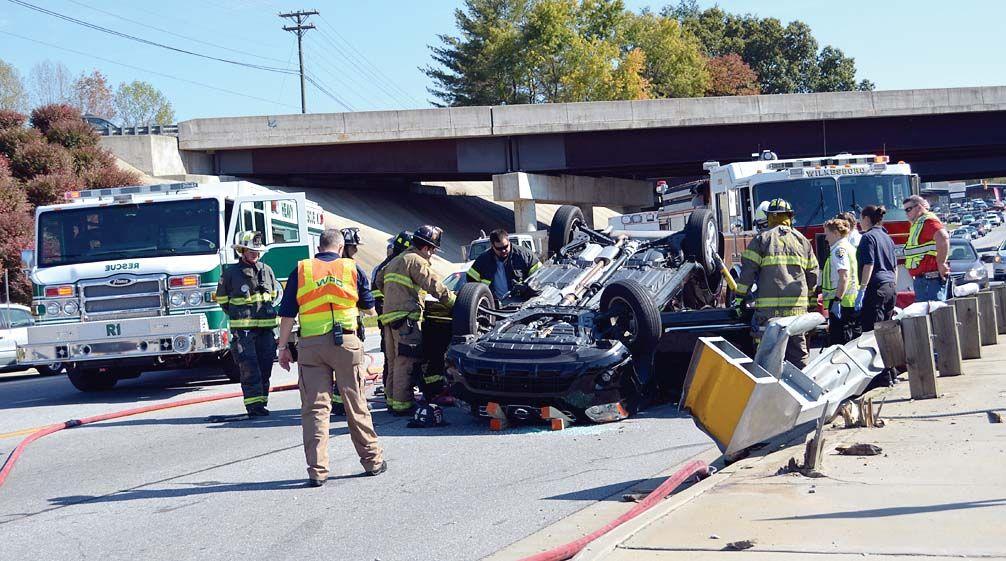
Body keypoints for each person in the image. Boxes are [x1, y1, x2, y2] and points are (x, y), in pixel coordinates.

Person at [276, 229, 385, 487]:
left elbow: (288, 314)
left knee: (315, 409)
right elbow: (370, 307)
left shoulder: (301, 270)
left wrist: (282, 347)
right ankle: (372, 461)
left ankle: (317, 471)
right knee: (355, 403)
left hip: (311, 346)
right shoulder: (351, 269)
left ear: (319, 246)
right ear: (339, 248)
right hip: (346, 343)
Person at [374, 225, 455, 416]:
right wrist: (457, 304)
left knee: (394, 362)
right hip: (406, 321)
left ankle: (393, 402)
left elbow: (379, 281)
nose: (432, 254)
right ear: (427, 247)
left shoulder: (395, 261)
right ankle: (404, 405)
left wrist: (396, 296)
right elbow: (435, 286)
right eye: (433, 250)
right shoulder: (416, 260)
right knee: (406, 362)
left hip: (389, 319)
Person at [735, 198, 818, 368]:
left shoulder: (761, 239)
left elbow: (748, 272)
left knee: (766, 351)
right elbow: (813, 274)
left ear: (770, 217)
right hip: (797, 309)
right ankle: (802, 388)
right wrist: (811, 301)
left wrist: (739, 298)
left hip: (768, 311)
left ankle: (766, 387)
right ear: (789, 216)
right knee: (797, 353)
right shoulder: (802, 241)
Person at [216, 231, 281, 417]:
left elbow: (273, 296)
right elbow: (223, 300)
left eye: (257, 250)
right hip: (244, 331)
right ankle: (253, 407)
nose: (255, 253)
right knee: (249, 367)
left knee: (265, 366)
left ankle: (261, 403)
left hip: (266, 330)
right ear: (242, 250)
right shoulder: (230, 274)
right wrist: (240, 316)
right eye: (251, 250)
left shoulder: (267, 270)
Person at [371, 230, 412, 392]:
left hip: (385, 318)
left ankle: (391, 393)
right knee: (399, 357)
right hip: (397, 319)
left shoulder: (384, 266)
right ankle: (398, 394)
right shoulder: (398, 265)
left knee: (391, 358)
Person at [466, 229, 540, 302]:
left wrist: (527, 288)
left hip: (522, 304)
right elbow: (472, 284)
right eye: (499, 248)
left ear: (508, 241)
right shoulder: (483, 260)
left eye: (505, 247)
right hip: (494, 308)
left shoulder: (525, 256)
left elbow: (541, 276)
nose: (503, 251)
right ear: (492, 246)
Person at [856, 205, 898, 331]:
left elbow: (869, 264)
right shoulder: (887, 237)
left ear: (867, 219)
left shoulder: (867, 237)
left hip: (876, 289)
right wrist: (894, 284)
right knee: (887, 331)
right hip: (890, 288)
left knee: (872, 332)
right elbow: (895, 267)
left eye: (860, 219)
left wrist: (862, 289)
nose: (859, 223)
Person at [903, 195, 951, 302]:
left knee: (933, 315)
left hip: (930, 281)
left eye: (908, 209)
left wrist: (941, 263)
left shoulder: (927, 221)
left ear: (919, 207)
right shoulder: (918, 223)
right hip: (925, 281)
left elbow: (943, 237)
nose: (906, 213)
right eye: (905, 210)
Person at [822, 219, 861, 345]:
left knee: (841, 340)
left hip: (842, 301)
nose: (826, 238)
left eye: (827, 234)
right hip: (849, 299)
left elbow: (844, 276)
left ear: (836, 234)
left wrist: (837, 300)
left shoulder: (839, 250)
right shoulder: (849, 247)